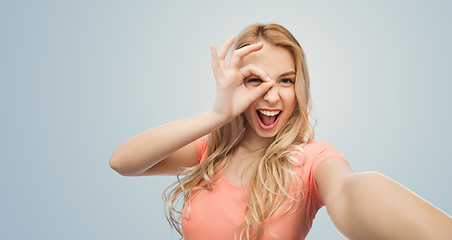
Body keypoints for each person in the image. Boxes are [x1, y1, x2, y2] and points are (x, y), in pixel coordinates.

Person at [109, 24, 452, 240]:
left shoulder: (311, 161)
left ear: (299, 87)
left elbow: (349, 192)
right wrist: (217, 114)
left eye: (285, 80)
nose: (271, 96)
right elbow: (123, 162)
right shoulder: (207, 149)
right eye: (255, 80)